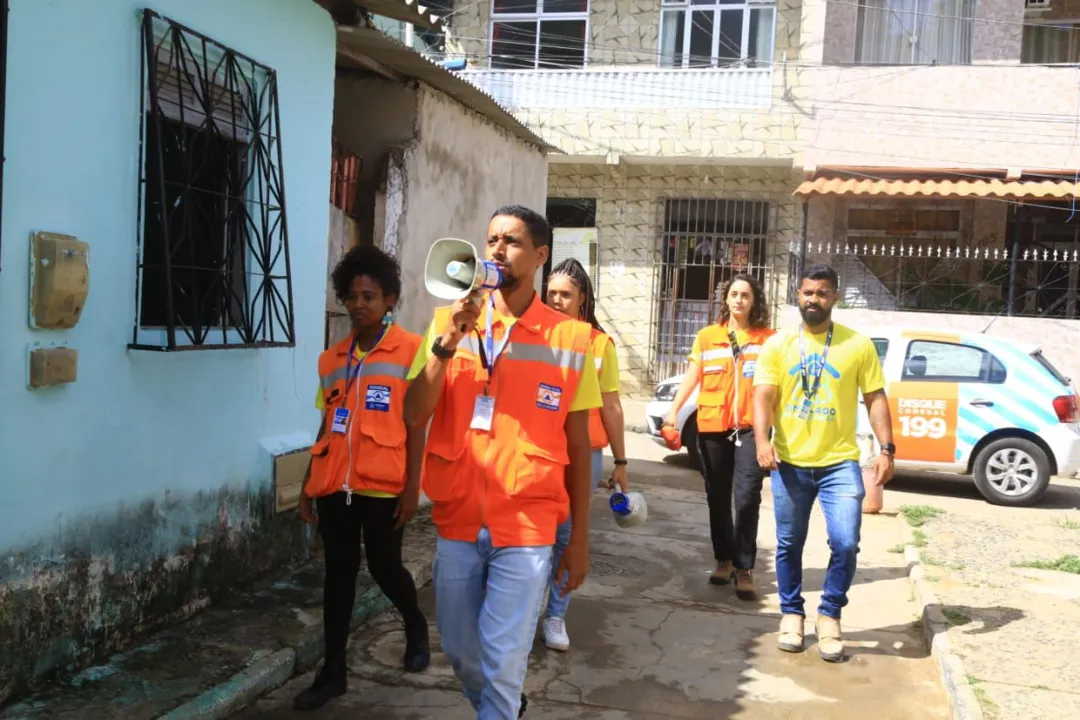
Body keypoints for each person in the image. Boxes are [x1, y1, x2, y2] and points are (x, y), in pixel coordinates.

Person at [404, 205, 600, 719]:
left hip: (528, 525)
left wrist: (577, 539)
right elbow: (413, 412)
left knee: (503, 656)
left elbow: (579, 448)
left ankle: (502, 706)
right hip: (459, 519)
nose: (495, 249)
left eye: (511, 241)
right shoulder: (448, 322)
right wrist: (448, 345)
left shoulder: (573, 341)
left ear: (539, 256)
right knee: (464, 655)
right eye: (490, 239)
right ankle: (506, 708)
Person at [294, 244, 430, 711]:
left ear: (390, 299)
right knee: (338, 575)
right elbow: (325, 422)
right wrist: (308, 484)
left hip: (385, 485)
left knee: (386, 568)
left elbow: (416, 424)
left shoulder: (412, 351)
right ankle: (333, 672)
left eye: (369, 296)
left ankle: (414, 622)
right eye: (351, 296)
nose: (359, 304)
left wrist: (413, 488)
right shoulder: (332, 358)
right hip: (335, 486)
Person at [751, 263, 895, 663]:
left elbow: (875, 398)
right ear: (797, 295)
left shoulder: (857, 345)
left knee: (846, 542)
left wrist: (887, 449)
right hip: (790, 463)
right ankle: (792, 613)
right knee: (788, 544)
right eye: (807, 292)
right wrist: (763, 441)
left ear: (835, 297)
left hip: (839, 464)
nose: (813, 299)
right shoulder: (778, 345)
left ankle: (829, 613)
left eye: (822, 293)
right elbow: (762, 397)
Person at [662, 273, 775, 600]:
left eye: (746, 295)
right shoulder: (707, 337)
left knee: (747, 497)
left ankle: (745, 568)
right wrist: (674, 410)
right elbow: (692, 377)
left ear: (754, 302)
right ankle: (723, 560)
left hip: (751, 428)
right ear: (725, 299)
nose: (739, 300)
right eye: (734, 294)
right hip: (712, 427)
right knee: (717, 495)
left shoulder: (768, 340)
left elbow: (778, 387)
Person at [541, 257, 629, 651]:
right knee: (534, 533)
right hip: (538, 447)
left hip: (584, 453)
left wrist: (622, 463)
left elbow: (611, 406)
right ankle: (525, 609)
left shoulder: (598, 345)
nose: (557, 300)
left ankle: (555, 614)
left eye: (566, 294)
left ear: (582, 300)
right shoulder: (532, 336)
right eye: (552, 293)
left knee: (567, 534)